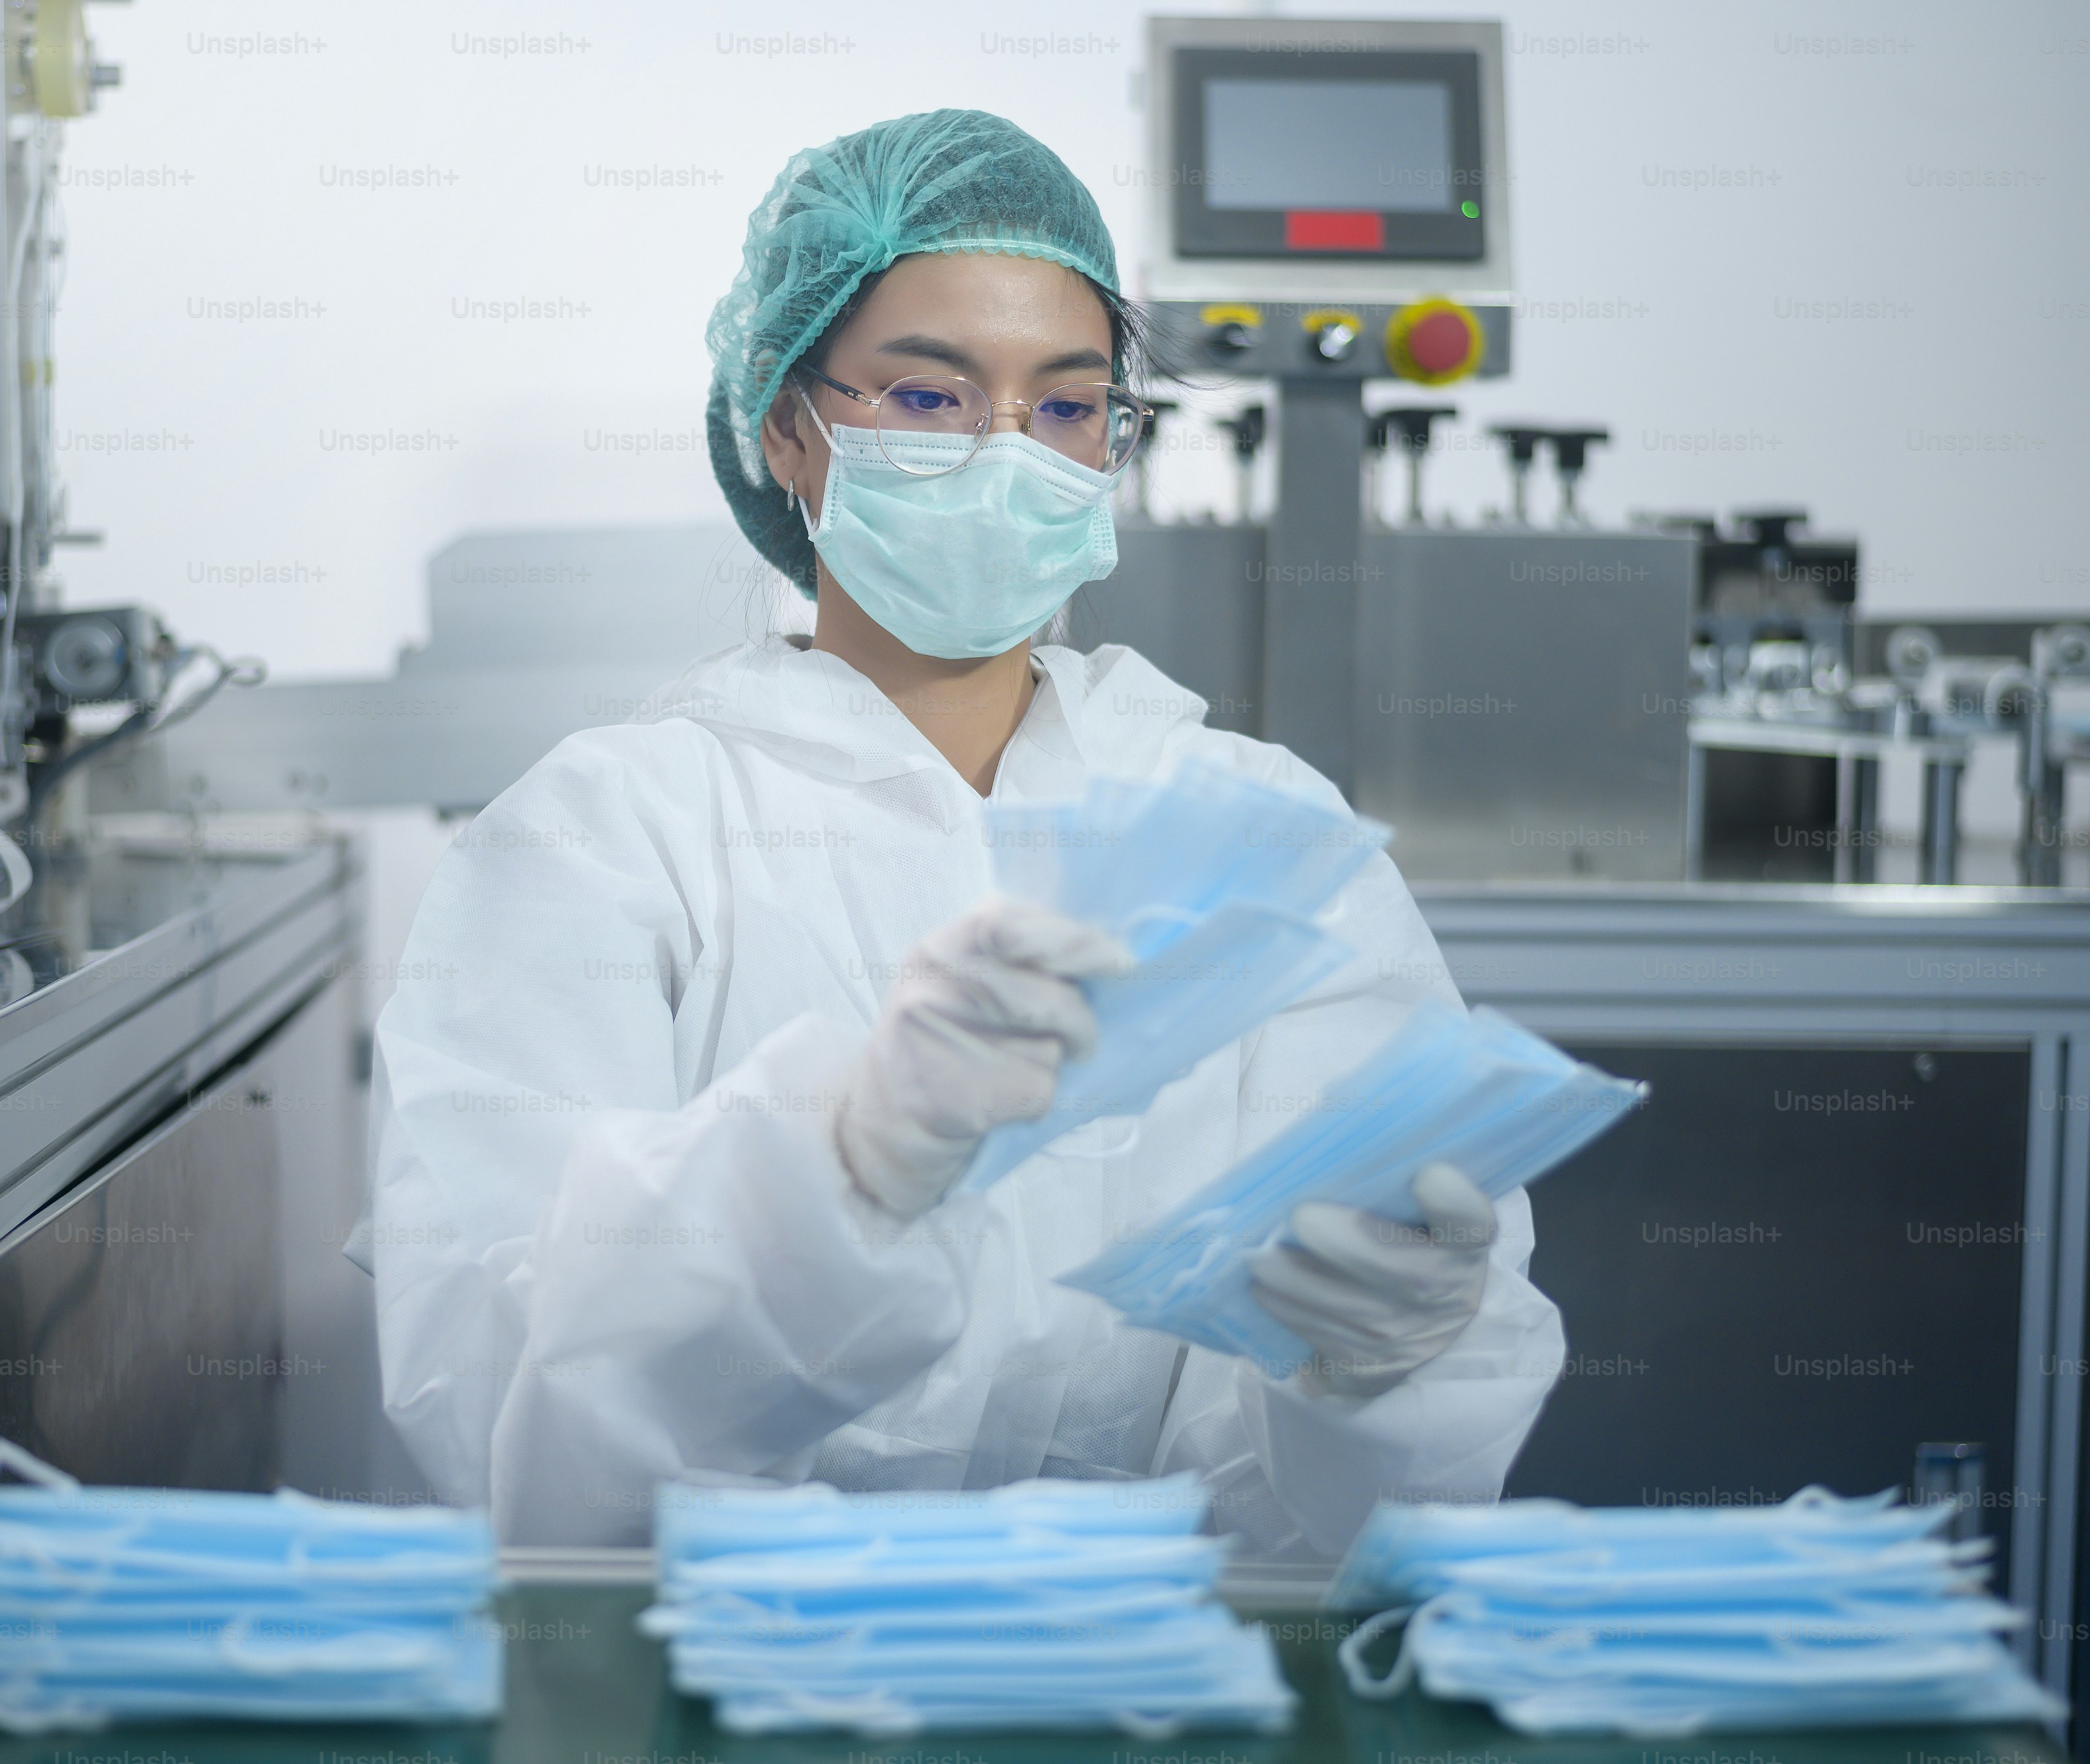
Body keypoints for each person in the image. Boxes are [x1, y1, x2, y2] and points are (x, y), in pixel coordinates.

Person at [362, 109, 1563, 1553]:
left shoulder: (1250, 829)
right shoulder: (606, 838)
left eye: (1065, 407)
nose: (1012, 455)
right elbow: (499, 1416)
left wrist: (1371, 1371)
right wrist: (831, 1166)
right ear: (785, 427)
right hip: (730, 1676)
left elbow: (1348, 1522)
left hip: (1148, 1681)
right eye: (930, 398)